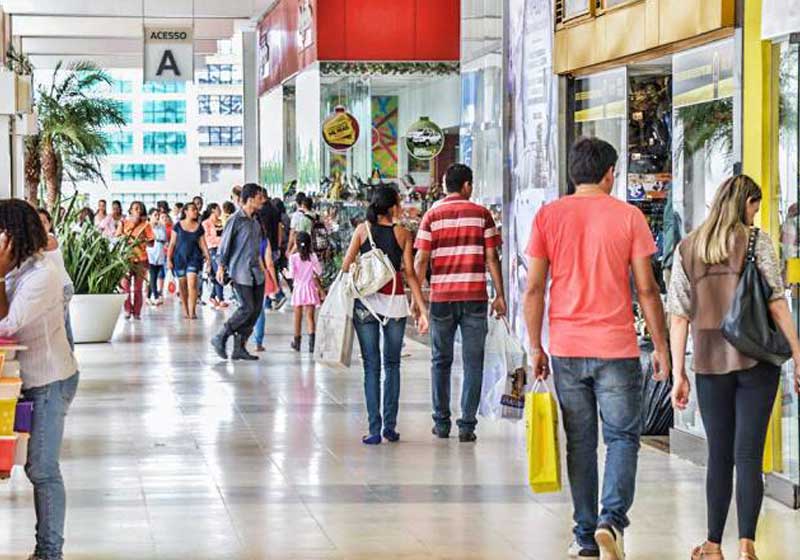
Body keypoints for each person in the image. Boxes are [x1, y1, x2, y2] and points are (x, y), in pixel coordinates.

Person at [523, 137, 670, 560]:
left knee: (581, 442)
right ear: (610, 174)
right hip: (617, 348)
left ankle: (586, 535)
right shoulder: (629, 217)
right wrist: (660, 346)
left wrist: (535, 346)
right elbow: (647, 288)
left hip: (567, 347)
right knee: (623, 438)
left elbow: (534, 288)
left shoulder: (549, 216)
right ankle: (612, 521)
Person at [668, 175, 800, 560]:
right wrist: (796, 349)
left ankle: (712, 544)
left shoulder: (688, 248)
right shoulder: (757, 242)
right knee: (749, 456)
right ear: (745, 204)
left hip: (710, 365)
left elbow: (679, 315)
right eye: (755, 207)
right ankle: (746, 544)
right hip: (757, 358)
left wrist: (679, 373)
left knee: (720, 456)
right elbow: (776, 300)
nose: (755, 215)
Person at [0, 200, 79, 560]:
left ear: (11, 235)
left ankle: (50, 552)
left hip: (48, 381)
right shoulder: (18, 270)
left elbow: (6, 327)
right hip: (23, 380)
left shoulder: (42, 275)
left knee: (42, 468)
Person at [414, 163, 506, 444]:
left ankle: (441, 423)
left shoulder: (432, 216)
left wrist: (418, 301)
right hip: (474, 297)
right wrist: (500, 295)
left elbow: (420, 260)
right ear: (467, 185)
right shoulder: (482, 215)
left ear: (445, 186)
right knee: (473, 362)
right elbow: (492, 258)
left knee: (440, 361)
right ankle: (467, 425)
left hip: (441, 298)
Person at [342, 186, 429, 445]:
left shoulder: (361, 231)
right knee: (392, 365)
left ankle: (374, 430)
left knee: (371, 366)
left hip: (365, 305)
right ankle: (390, 427)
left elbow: (346, 266)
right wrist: (422, 308)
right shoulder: (402, 233)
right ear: (392, 207)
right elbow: (410, 274)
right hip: (395, 304)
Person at [212, 183, 266, 361]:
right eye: (259, 197)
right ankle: (221, 335)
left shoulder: (256, 222)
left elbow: (257, 249)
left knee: (255, 310)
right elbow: (224, 245)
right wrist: (221, 267)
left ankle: (239, 347)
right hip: (240, 272)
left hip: (256, 273)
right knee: (246, 308)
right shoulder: (235, 220)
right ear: (250, 199)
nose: (262, 200)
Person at [37, 207, 75, 348]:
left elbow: (35, 249)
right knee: (64, 325)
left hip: (62, 288)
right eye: (37, 222)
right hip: (55, 288)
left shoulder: (50, 238)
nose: (40, 225)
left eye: (44, 222)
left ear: (50, 223)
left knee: (58, 326)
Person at [167, 202, 211, 320]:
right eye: (193, 209)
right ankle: (186, 310)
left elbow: (203, 244)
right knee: (182, 286)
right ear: (185, 212)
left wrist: (208, 259)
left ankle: (192, 311)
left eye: (196, 210)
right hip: (179, 259)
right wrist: (168, 260)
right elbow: (172, 244)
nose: (196, 211)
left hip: (194, 258)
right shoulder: (177, 226)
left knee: (192, 284)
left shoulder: (199, 227)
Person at [117, 201, 155, 320]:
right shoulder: (123, 223)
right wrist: (127, 236)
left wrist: (143, 239)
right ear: (130, 211)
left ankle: (137, 312)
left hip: (141, 260)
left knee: (138, 288)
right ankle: (127, 310)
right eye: (135, 208)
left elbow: (152, 243)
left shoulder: (146, 225)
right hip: (125, 259)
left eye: (140, 209)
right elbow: (117, 237)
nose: (138, 210)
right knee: (125, 288)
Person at [287, 232, 322, 352]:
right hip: (310, 288)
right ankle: (312, 345)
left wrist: (285, 272)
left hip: (298, 289)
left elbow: (291, 275)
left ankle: (297, 343)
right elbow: (319, 271)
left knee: (297, 317)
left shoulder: (293, 258)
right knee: (310, 317)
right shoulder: (313, 257)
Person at [252, 237, 280, 352]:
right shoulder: (264, 241)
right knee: (259, 311)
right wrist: (275, 282)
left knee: (245, 310)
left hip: (242, 276)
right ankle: (257, 343)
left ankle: (241, 341)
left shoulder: (243, 236)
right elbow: (269, 263)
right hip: (260, 277)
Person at [202, 203, 227, 309]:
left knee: (219, 272)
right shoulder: (206, 223)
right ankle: (221, 299)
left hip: (222, 250)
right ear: (212, 210)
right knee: (218, 272)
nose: (220, 211)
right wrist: (222, 240)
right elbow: (207, 238)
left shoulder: (222, 222)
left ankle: (213, 296)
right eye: (218, 209)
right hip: (212, 249)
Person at [146, 209, 168, 306]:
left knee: (154, 277)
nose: (157, 217)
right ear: (150, 216)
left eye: (158, 215)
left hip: (160, 252)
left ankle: (148, 296)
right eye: (155, 215)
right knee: (152, 275)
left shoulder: (161, 226)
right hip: (150, 252)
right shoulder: (146, 226)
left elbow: (164, 239)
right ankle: (155, 296)